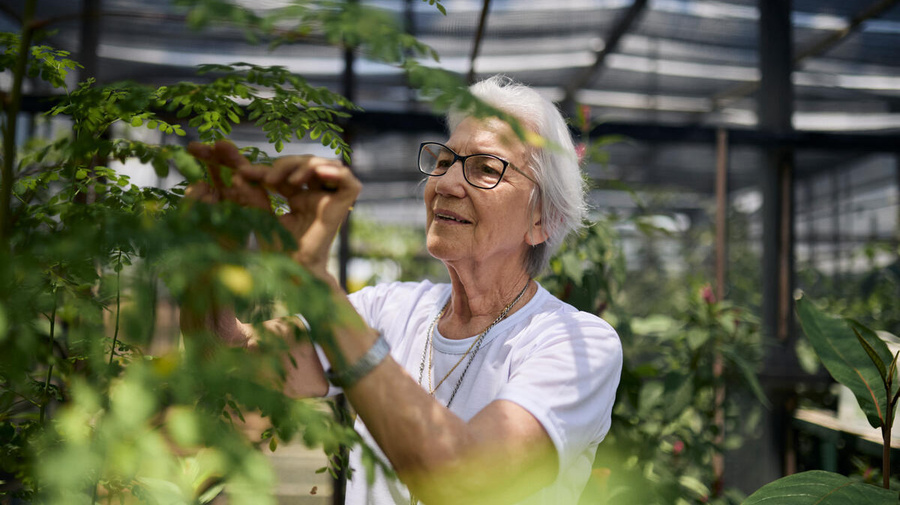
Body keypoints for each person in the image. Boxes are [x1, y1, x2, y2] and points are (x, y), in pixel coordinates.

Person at [185, 75, 622, 505]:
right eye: (445, 161)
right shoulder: (389, 309)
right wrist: (204, 266)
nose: (447, 184)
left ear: (542, 220)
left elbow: (467, 481)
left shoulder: (577, 344)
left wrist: (312, 284)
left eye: (486, 168)